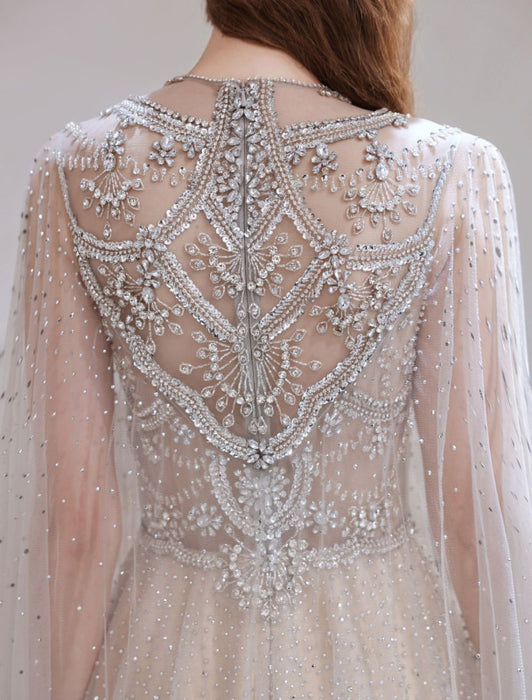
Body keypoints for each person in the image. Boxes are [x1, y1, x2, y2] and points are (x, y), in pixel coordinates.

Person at [1, 0, 531, 697]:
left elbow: (75, 521)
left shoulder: (77, 167)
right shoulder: (452, 170)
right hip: (383, 649)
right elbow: (474, 519)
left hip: (164, 649)